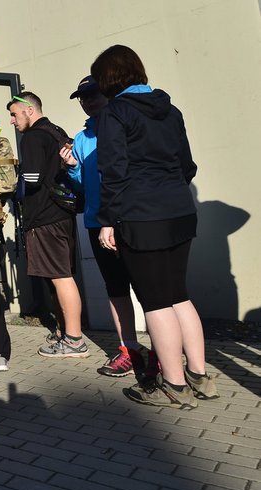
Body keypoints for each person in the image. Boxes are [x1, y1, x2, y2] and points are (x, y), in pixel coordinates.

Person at [91, 45, 215, 408]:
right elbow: (187, 165)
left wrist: (107, 220)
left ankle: (174, 387)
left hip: (140, 215)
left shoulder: (115, 113)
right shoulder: (170, 110)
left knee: (156, 301)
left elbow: (113, 170)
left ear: (108, 79)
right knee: (179, 293)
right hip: (179, 211)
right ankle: (199, 376)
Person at [62, 75, 148, 377]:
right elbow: (85, 187)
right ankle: (130, 349)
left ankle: (166, 353)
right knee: (116, 289)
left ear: (108, 94)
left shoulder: (126, 126)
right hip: (98, 224)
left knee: (150, 290)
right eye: (82, 97)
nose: (87, 101)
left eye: (92, 94)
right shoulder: (82, 138)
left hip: (132, 219)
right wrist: (72, 169)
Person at [7, 91, 88, 359]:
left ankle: (74, 340)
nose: (12, 121)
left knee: (60, 277)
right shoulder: (57, 132)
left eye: (14, 114)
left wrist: (16, 186)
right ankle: (65, 332)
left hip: (44, 217)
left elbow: (30, 179)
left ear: (29, 110)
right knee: (61, 276)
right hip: (62, 214)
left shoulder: (32, 136)